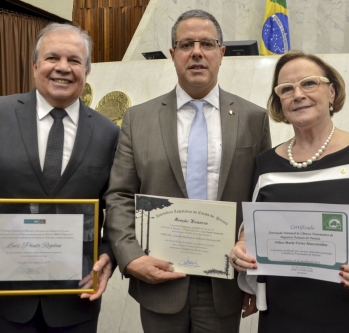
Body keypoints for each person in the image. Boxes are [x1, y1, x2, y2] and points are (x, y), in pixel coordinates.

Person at [105, 9, 271, 333]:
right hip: (158, 280)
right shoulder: (138, 119)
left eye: (207, 43)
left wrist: (256, 275)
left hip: (225, 284)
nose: (197, 52)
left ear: (222, 53)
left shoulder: (253, 118)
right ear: (172, 54)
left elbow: (262, 198)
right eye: (186, 45)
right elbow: (120, 194)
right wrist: (130, 256)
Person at [230, 50, 349, 332]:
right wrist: (242, 248)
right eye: (286, 89)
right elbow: (250, 228)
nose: (297, 94)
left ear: (332, 92)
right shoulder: (266, 164)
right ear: (279, 102)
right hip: (281, 315)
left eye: (309, 83)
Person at [0, 23, 119, 332]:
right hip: (9, 294)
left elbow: (117, 204)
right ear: (34, 66)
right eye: (52, 58)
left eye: (74, 60)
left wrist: (109, 254)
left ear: (87, 70)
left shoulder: (108, 133)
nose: (62, 68)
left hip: (77, 295)